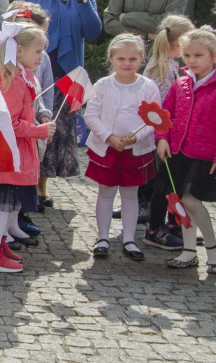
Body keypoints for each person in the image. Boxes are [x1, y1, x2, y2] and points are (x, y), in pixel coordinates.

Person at [14, 0, 102, 208]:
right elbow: (12, 19)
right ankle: (23, 182)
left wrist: (84, 0)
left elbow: (94, 31)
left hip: (66, 74)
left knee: (56, 130)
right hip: (32, 68)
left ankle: (41, 187)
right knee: (29, 124)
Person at [0, 24, 55, 273]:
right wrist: (39, 131)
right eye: (38, 51)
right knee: (3, 206)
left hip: (11, 154)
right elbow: (7, 122)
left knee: (8, 206)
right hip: (6, 155)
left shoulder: (20, 76)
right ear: (19, 50)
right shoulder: (11, 80)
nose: (41, 57)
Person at [82, 35, 159, 262]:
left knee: (130, 194)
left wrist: (135, 138)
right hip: (107, 147)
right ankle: (103, 237)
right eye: (122, 58)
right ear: (112, 58)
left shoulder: (148, 86)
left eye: (133, 59)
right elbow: (91, 115)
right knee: (106, 192)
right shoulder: (103, 85)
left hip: (135, 149)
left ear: (141, 59)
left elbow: (153, 118)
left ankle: (129, 238)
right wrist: (109, 137)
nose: (127, 63)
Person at [156, 26, 216, 272]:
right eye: (187, 55)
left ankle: (212, 251)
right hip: (178, 152)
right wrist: (162, 138)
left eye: (198, 55)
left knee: (191, 200)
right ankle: (189, 251)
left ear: (213, 55)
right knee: (178, 201)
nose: (191, 61)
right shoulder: (180, 83)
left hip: (205, 155)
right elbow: (164, 114)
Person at [142, 15, 195, 250]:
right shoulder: (162, 67)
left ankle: (174, 224)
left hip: (170, 135)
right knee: (164, 185)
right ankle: (156, 229)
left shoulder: (170, 65)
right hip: (163, 137)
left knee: (173, 185)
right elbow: (161, 107)